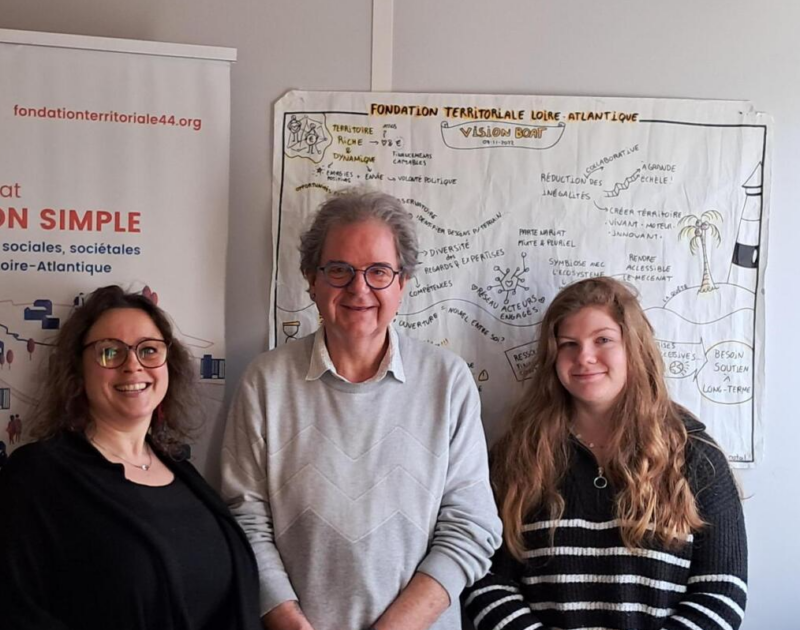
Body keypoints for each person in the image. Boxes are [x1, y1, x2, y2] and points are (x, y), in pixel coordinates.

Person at [221, 190, 502, 630]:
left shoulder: (448, 382)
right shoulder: (266, 382)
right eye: (339, 270)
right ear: (311, 280)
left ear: (402, 283)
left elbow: (471, 527)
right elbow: (245, 522)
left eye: (379, 272)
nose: (359, 288)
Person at [463, 277, 747, 630]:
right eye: (568, 344)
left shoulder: (694, 454)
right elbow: (486, 580)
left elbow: (722, 592)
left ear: (634, 348)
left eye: (603, 340)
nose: (584, 356)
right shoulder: (517, 456)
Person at [0, 285, 262, 630]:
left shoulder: (184, 474)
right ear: (78, 371)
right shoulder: (34, 479)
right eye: (110, 352)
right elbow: (7, 617)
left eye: (149, 350)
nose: (133, 365)